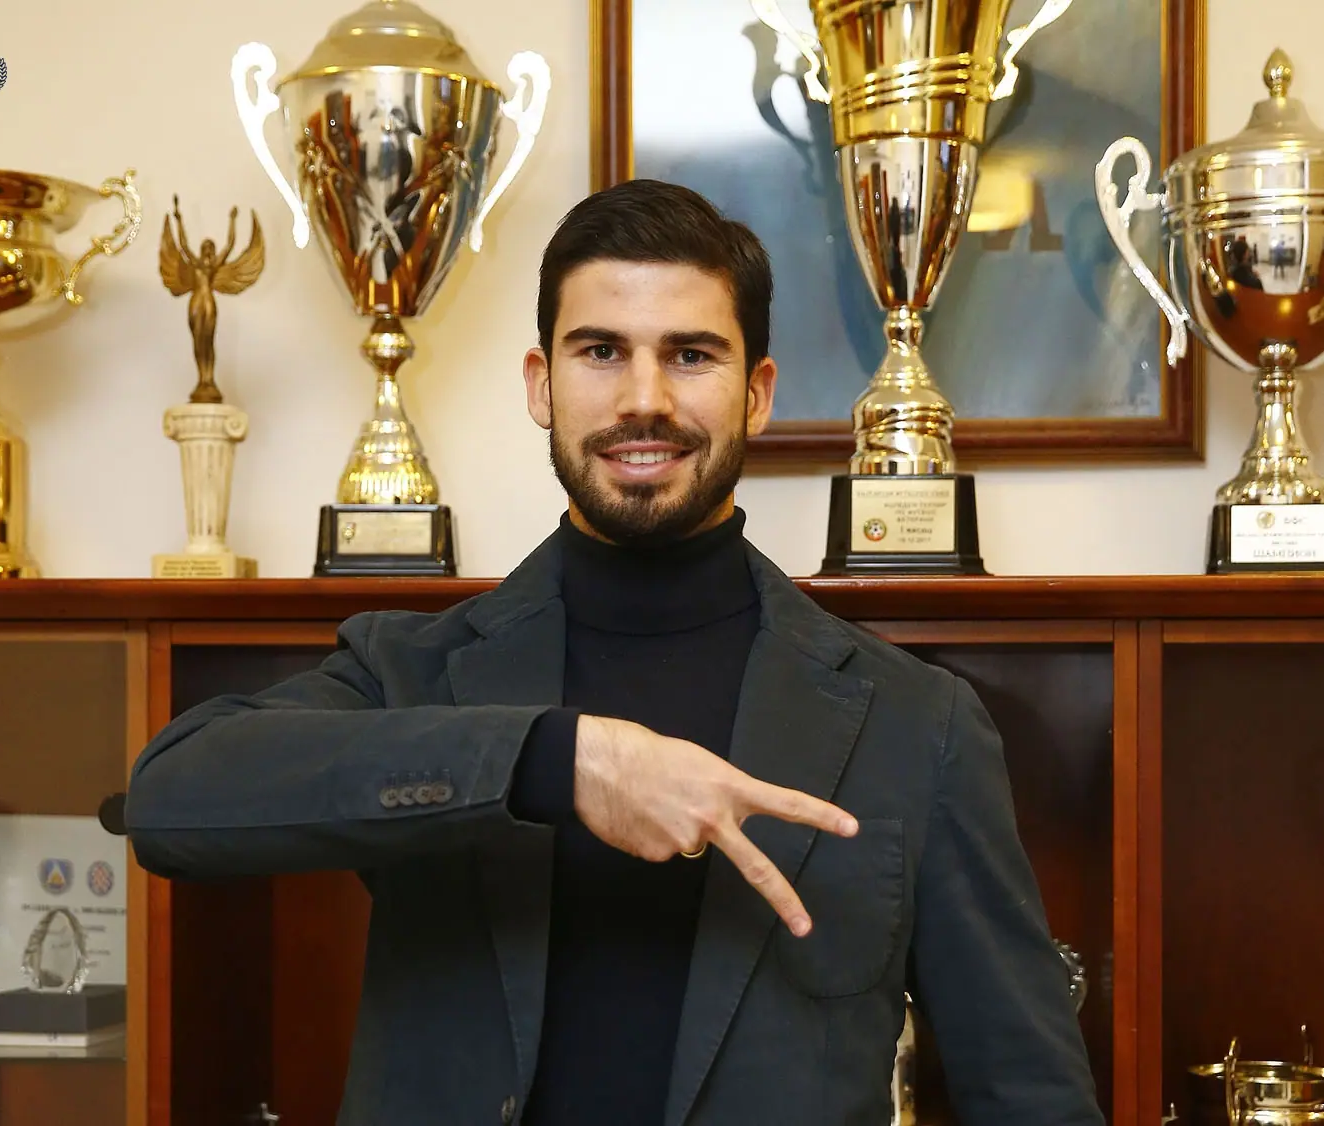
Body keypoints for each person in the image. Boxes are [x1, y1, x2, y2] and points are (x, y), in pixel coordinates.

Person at [124, 179, 1104, 1126]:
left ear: (756, 394)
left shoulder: (916, 722)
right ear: (540, 384)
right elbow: (170, 801)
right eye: (600, 351)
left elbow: (1031, 1096)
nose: (645, 399)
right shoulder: (412, 669)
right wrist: (559, 760)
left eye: (691, 355)